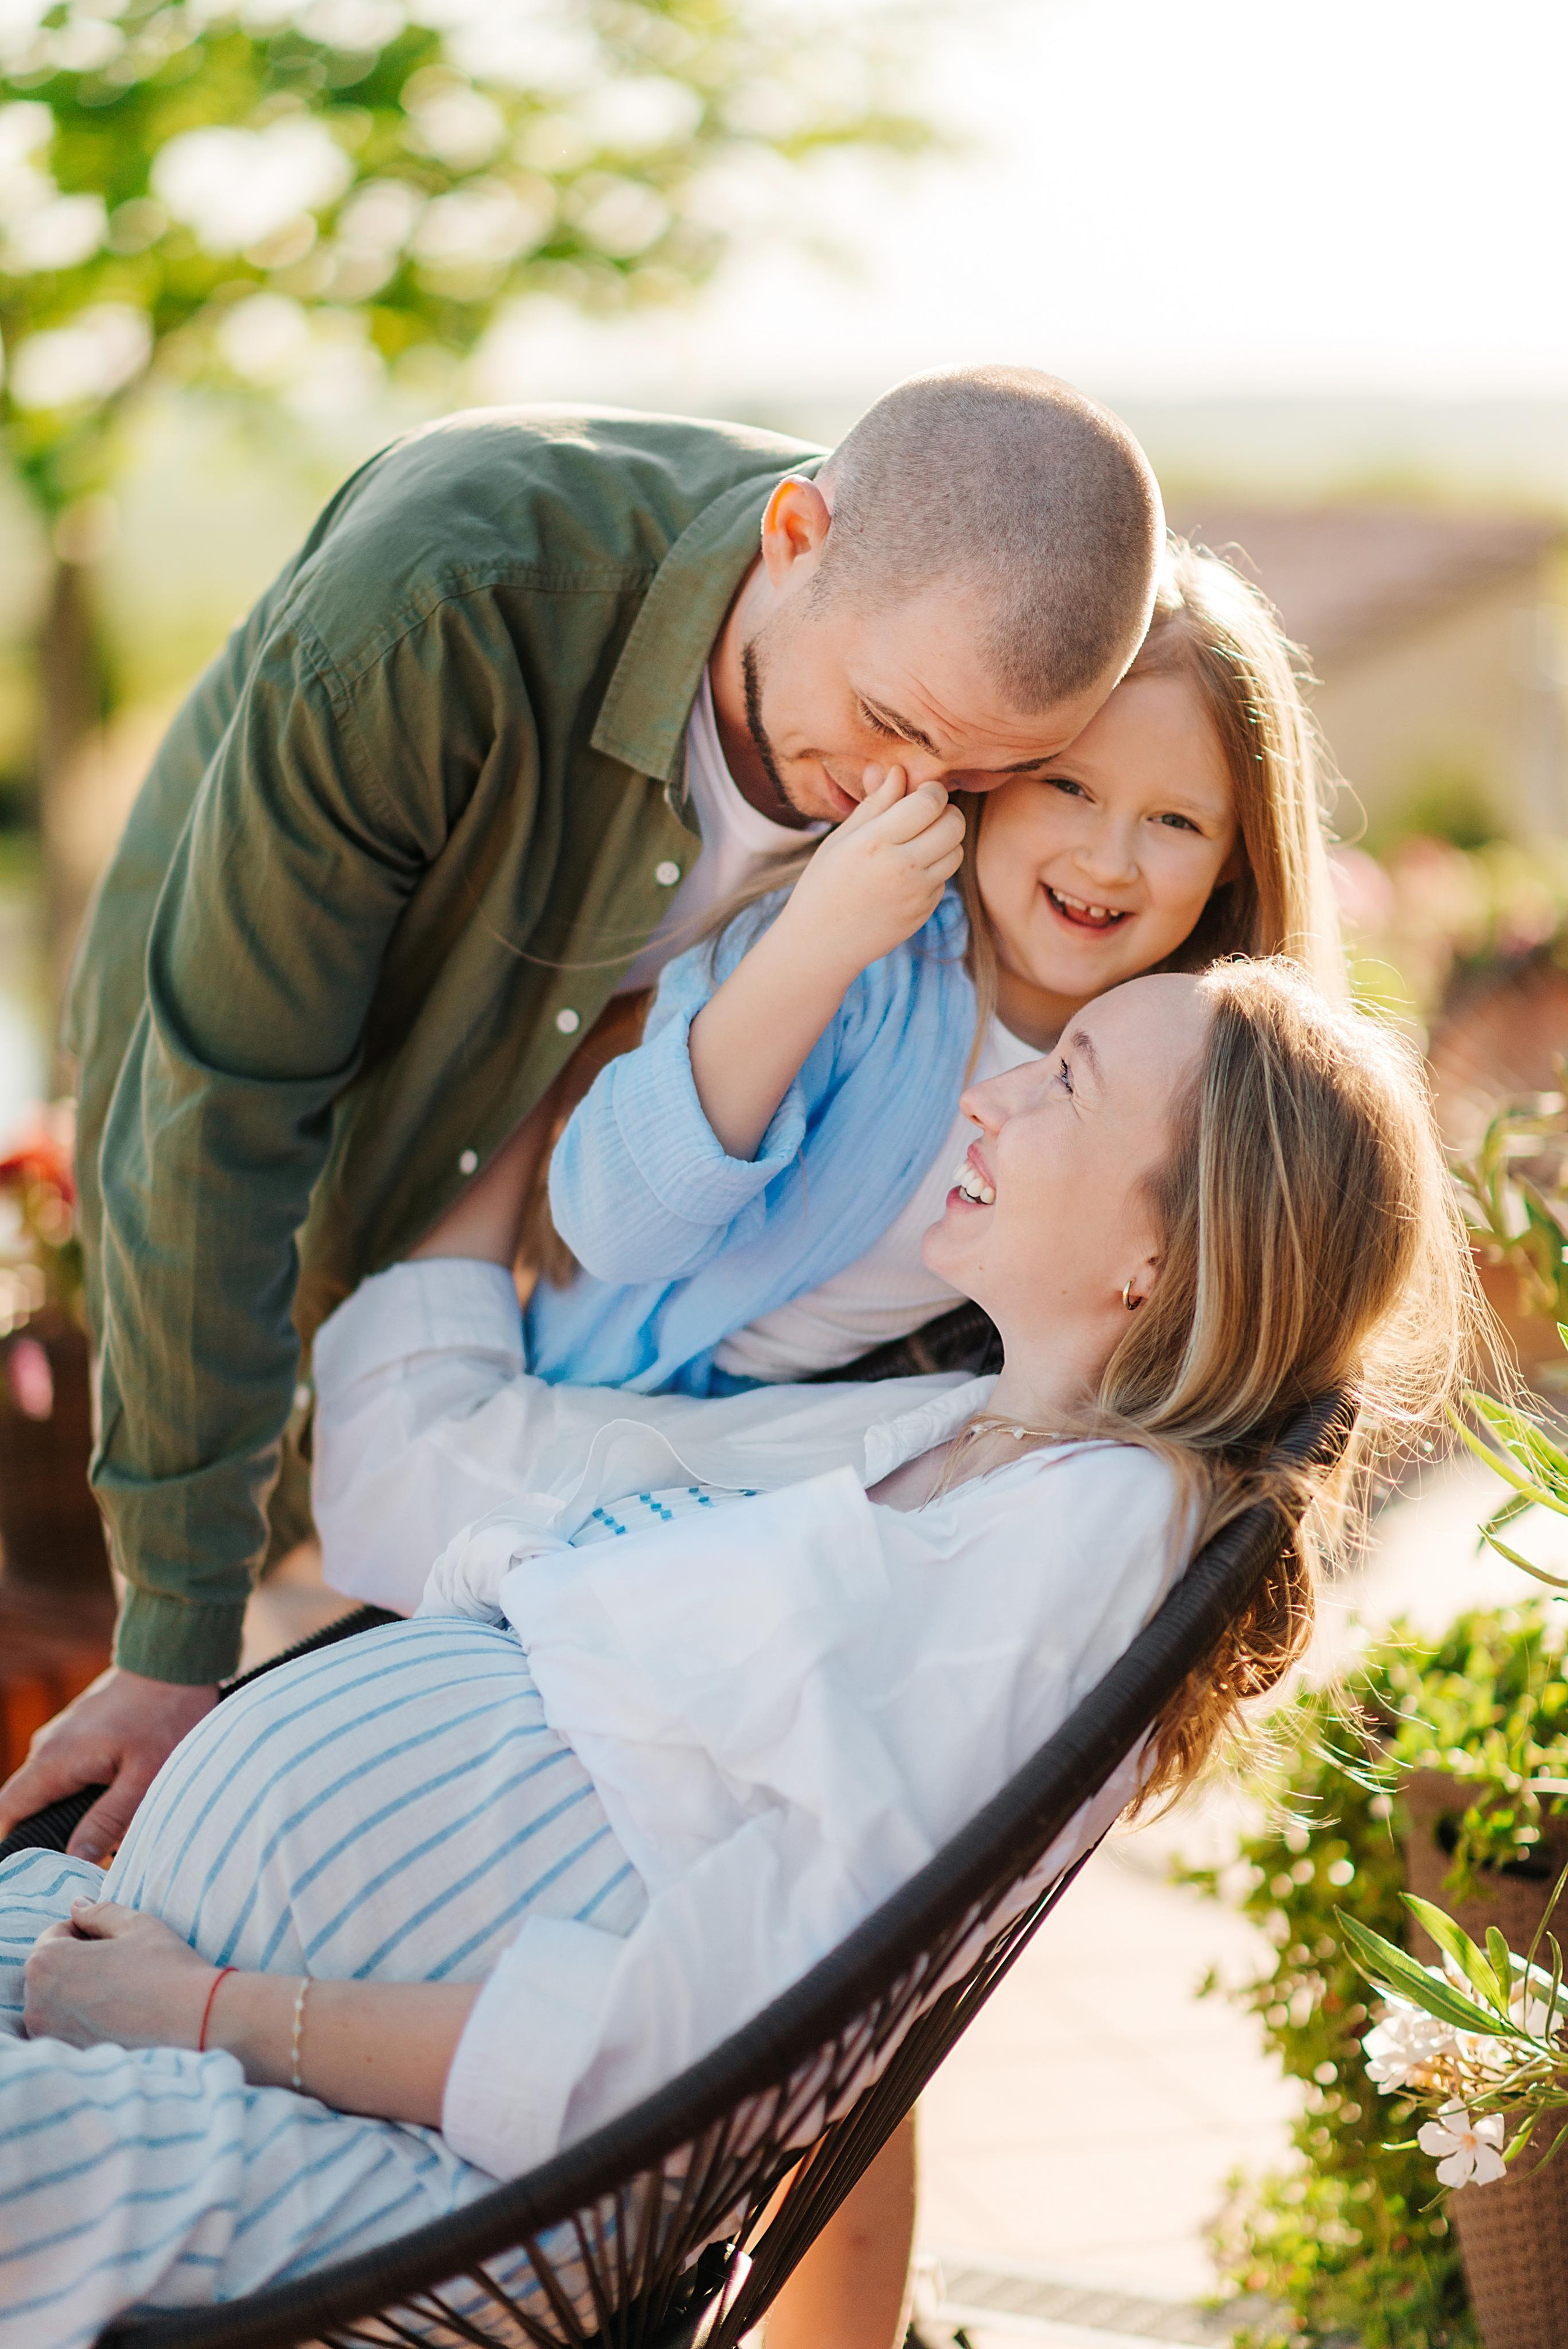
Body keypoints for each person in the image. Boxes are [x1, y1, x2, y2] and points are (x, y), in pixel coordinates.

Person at [2, 962, 1482, 2349]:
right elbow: (476, 1474)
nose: (990, 1095)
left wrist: (214, 2014)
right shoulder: (957, 1442)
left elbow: (722, 2024)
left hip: (393, 2155)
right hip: (184, 1980)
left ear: (1165, 1252)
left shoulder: (1093, 1528)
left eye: (1066, 1083)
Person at [0, 365, 1166, 1866]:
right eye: (886, 724)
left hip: (540, 1323)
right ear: (795, 532)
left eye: (982, 774)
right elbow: (214, 1114)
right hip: (285, 1133)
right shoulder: (446, 602)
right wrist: (169, 1639)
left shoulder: (953, 652)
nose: (907, 807)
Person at [498, 538, 1344, 1399]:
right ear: (987, 776)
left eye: (1175, 821)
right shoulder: (860, 961)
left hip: (815, 1442)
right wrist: (816, 948)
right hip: (604, 1398)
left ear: (1237, 858)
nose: (1108, 861)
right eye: (1068, 788)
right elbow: (615, 1226)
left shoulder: (1190, 1090)